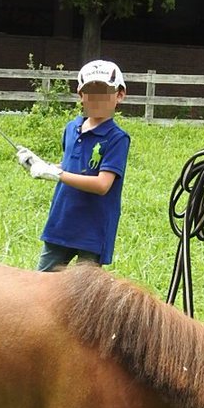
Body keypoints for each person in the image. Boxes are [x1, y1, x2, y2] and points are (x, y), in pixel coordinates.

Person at [17, 60, 131, 271]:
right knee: (42, 284)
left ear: (119, 95)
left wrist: (57, 174)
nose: (96, 99)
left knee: (83, 296)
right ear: (80, 95)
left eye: (104, 92)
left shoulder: (117, 138)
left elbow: (102, 184)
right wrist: (42, 164)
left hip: (93, 230)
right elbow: (71, 165)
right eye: (90, 92)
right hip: (62, 222)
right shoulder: (72, 128)